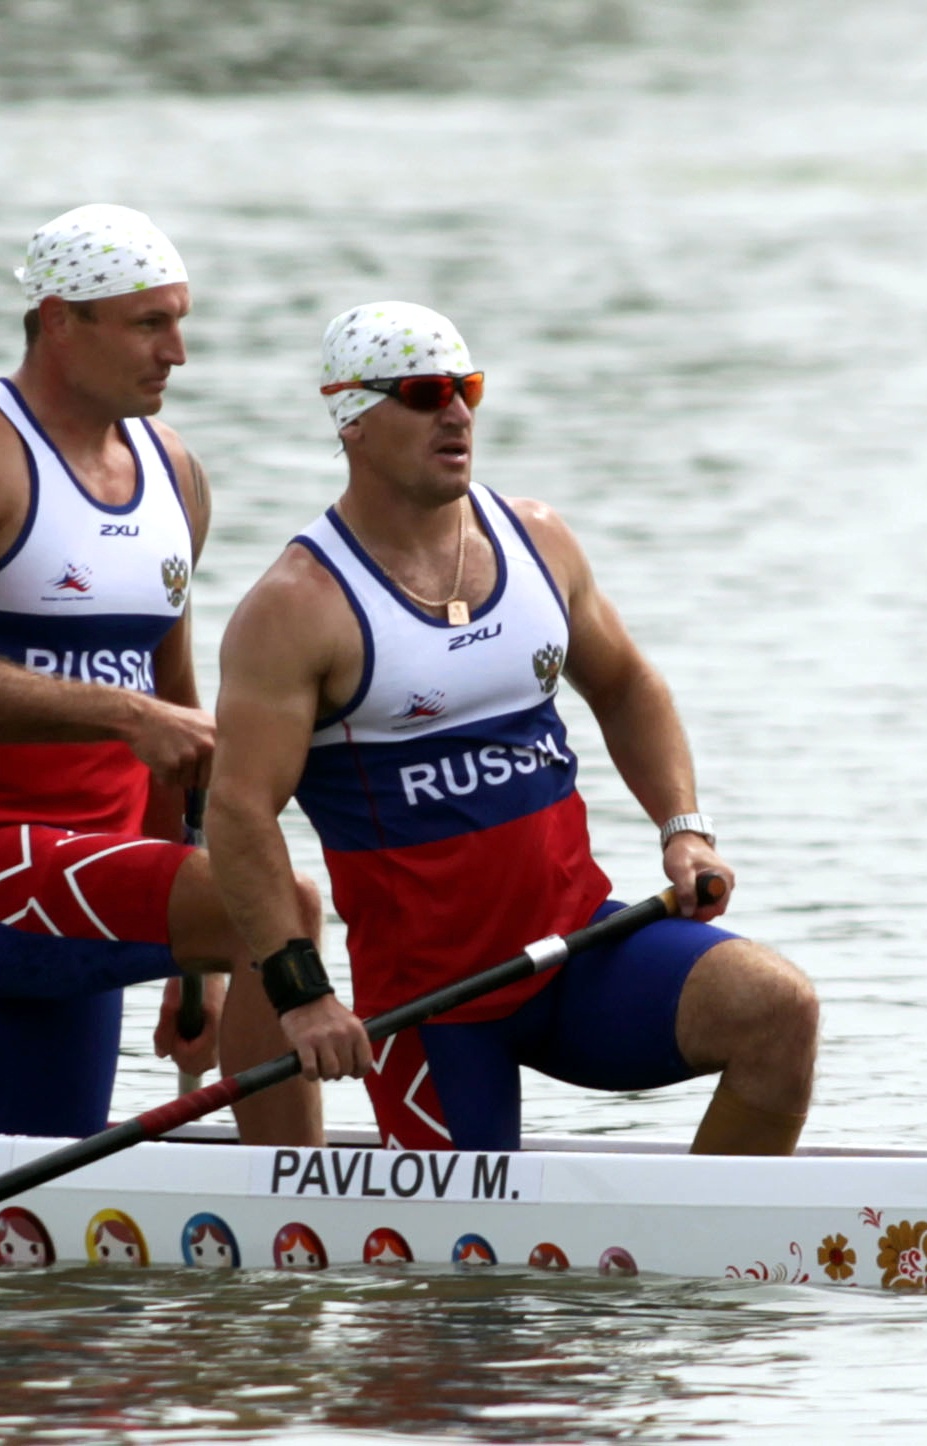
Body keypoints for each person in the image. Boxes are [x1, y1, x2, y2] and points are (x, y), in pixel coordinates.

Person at [206, 301, 820, 1153]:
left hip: (577, 949)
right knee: (463, 1288)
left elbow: (626, 684)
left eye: (467, 388)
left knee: (777, 1011)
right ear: (351, 416)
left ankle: (708, 1263)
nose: (455, 413)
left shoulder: (536, 538)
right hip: (431, 1007)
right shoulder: (296, 609)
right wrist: (304, 994)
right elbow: (238, 810)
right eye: (423, 393)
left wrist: (683, 830)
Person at [0, 204, 320, 1142]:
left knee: (21, 1189)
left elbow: (181, 734)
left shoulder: (176, 474)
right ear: (62, 319)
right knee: (279, 908)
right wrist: (120, 714)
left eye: (180, 320)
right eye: (150, 323)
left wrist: (191, 972)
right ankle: (294, 1220)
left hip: (108, 875)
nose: (178, 353)